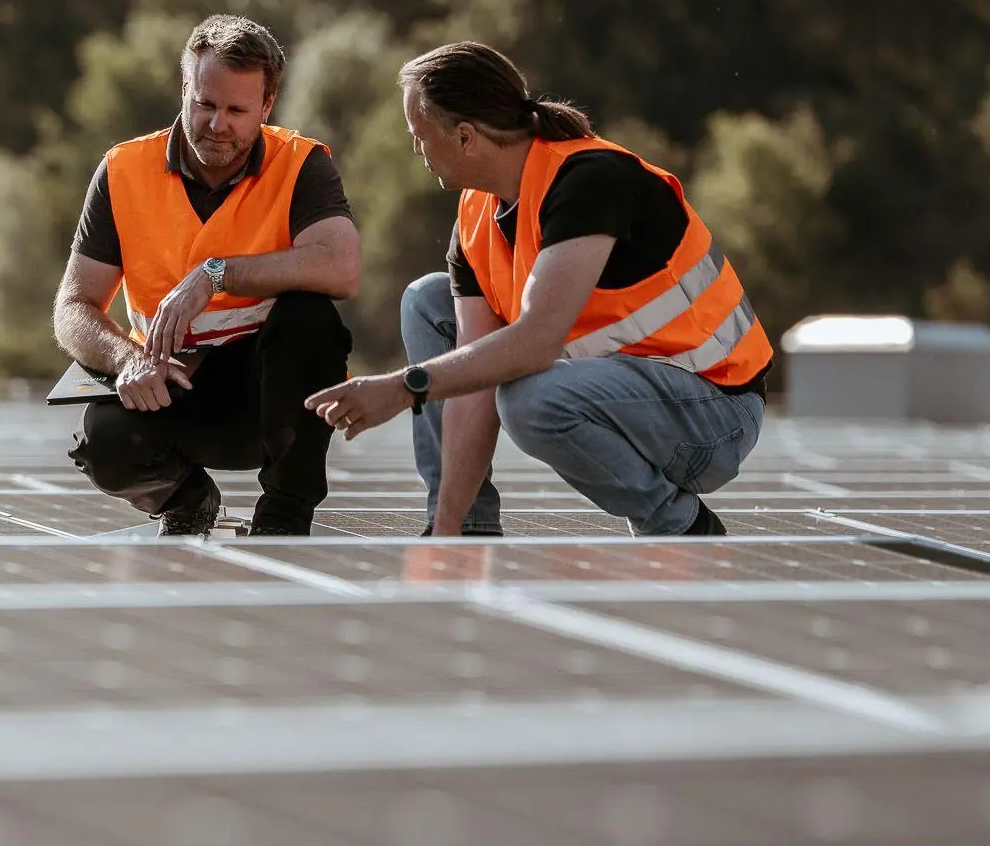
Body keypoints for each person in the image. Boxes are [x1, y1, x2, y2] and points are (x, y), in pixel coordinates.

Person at [305, 41, 772, 537]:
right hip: (629, 396)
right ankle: (468, 526)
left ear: (466, 137)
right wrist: (445, 532)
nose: (416, 149)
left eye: (419, 135)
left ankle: (678, 525)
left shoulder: (590, 180)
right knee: (428, 301)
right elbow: (472, 381)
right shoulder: (474, 217)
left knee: (531, 400)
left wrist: (402, 388)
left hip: (714, 415)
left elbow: (536, 342)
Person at [53, 15, 362, 537]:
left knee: (312, 319)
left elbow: (341, 266)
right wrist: (128, 360)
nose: (218, 124)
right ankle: (189, 500)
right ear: (184, 88)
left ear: (267, 105)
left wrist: (215, 275)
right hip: (171, 385)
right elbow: (73, 308)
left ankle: (285, 515)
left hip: (272, 402)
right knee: (103, 439)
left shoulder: (302, 165)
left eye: (238, 110)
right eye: (205, 104)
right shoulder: (123, 170)